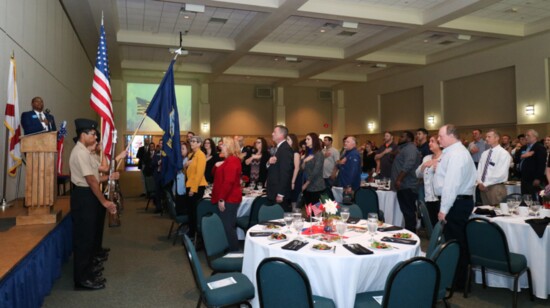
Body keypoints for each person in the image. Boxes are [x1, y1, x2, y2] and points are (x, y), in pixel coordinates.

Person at [69, 118, 117, 291]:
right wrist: (104, 201)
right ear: (83, 135)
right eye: (93, 134)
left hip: (88, 195)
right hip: (83, 196)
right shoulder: (80, 152)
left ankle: (87, 272)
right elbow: (91, 180)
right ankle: (81, 280)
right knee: (84, 240)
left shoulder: (85, 152)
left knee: (89, 238)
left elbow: (97, 175)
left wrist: (108, 178)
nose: (96, 137)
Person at [433, 124, 477, 289]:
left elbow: (452, 185)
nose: (438, 139)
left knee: (456, 242)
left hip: (456, 202)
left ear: (451, 136)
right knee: (454, 241)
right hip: (456, 201)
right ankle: (456, 278)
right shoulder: (451, 152)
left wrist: (444, 209)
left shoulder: (457, 154)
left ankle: (459, 281)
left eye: (440, 136)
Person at [211, 137, 243, 251]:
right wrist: (216, 165)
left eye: (223, 145)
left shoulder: (233, 160)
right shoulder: (227, 160)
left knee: (228, 227)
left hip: (229, 199)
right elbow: (214, 174)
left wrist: (221, 199)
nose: (221, 146)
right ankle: (231, 249)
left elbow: (228, 182)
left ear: (229, 147)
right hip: (227, 198)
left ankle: (234, 252)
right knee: (226, 226)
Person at [391, 131, 421, 233]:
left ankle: (411, 235)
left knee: (409, 213)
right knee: (406, 212)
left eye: (402, 136)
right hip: (403, 186)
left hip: (408, 185)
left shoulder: (411, 148)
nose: (399, 138)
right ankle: (409, 232)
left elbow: (408, 164)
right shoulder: (404, 148)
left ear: (408, 138)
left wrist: (399, 179)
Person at [476, 130, 511, 205]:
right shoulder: (485, 153)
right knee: (486, 213)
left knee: (498, 213)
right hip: (483, 188)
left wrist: (485, 184)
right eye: (486, 137)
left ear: (497, 138)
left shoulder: (503, 154)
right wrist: (480, 183)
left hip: (496, 187)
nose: (486, 139)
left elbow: (501, 174)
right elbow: (480, 170)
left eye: (489, 137)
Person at [415, 135, 443, 226]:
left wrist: (438, 168)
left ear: (439, 144)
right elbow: (417, 174)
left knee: (441, 223)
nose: (429, 143)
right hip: (428, 196)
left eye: (432, 141)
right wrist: (424, 165)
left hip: (441, 197)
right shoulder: (427, 158)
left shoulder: (445, 157)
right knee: (432, 222)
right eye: (429, 141)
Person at [266, 125, 294, 212]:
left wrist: (281, 194)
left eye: (275, 132)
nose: (272, 134)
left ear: (281, 135)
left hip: (279, 192)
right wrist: (268, 163)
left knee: (280, 220)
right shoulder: (279, 148)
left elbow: (286, 173)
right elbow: (274, 167)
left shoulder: (285, 149)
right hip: (274, 190)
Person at [185, 136, 208, 238]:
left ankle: (194, 234)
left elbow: (199, 174)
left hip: (197, 187)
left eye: (194, 141)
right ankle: (191, 231)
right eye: (191, 141)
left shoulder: (201, 155)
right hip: (189, 184)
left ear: (199, 144)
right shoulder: (191, 155)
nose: (191, 143)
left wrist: (193, 189)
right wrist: (186, 165)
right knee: (190, 211)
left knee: (194, 212)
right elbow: (189, 172)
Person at [517, 129, 547, 196]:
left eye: (528, 135)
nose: (526, 137)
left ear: (535, 137)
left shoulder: (539, 147)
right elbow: (516, 158)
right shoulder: (524, 147)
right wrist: (523, 156)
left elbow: (541, 164)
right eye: (526, 135)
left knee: (534, 199)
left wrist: (538, 178)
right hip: (523, 177)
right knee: (525, 198)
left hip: (533, 178)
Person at [301, 132, 326, 205]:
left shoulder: (319, 153)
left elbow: (316, 171)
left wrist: (306, 184)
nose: (306, 141)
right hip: (307, 185)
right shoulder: (307, 153)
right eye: (306, 139)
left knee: (316, 210)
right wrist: (304, 161)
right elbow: (302, 169)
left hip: (316, 186)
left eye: (308, 139)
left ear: (314, 141)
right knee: (308, 208)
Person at [287, 133, 302, 210]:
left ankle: (295, 216)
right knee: (290, 200)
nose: (286, 141)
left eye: (288, 139)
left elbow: (297, 168)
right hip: (289, 177)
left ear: (293, 141)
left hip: (295, 178)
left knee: (294, 200)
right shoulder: (288, 152)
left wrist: (293, 182)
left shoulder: (295, 153)